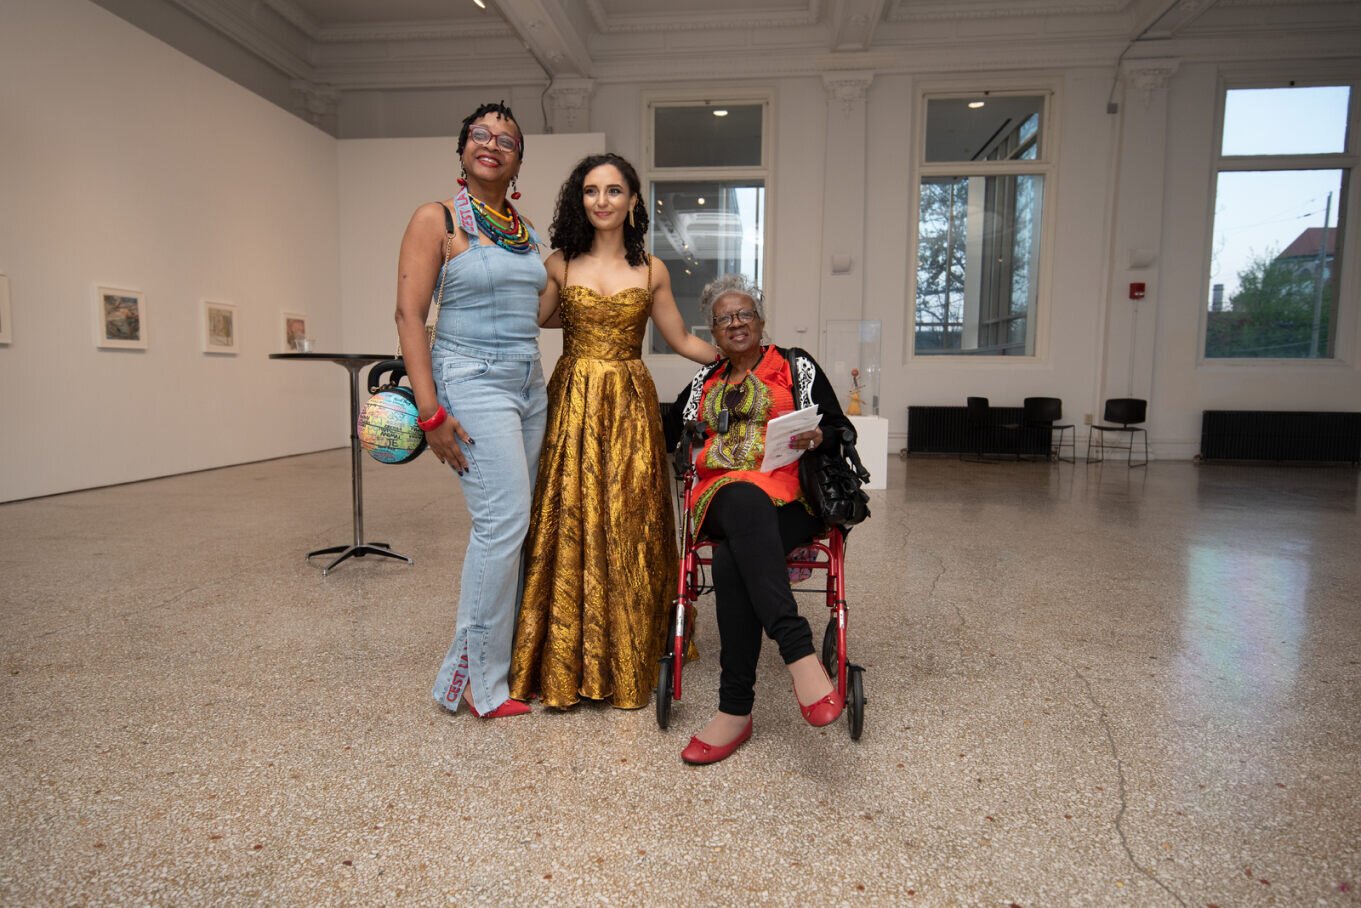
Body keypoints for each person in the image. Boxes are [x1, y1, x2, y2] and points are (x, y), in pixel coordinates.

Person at [508, 153, 716, 710]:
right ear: (581, 199)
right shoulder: (558, 264)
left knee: (629, 517)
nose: (602, 201)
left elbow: (681, 340)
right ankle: (562, 656)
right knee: (568, 514)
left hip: (627, 402)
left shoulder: (652, 270)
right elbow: (535, 319)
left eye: (614, 190)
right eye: (592, 191)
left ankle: (629, 649)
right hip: (572, 398)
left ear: (632, 201)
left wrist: (740, 357)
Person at [395, 101, 546, 720]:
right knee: (503, 523)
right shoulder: (436, 219)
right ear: (462, 150)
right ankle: (484, 686)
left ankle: (467, 671)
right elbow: (409, 316)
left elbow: (541, 309)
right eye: (480, 134)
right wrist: (430, 413)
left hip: (529, 385)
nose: (492, 143)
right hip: (471, 380)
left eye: (506, 138)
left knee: (514, 526)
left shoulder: (525, 229)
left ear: (516, 161)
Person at [661, 274, 852, 764]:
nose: (735, 323)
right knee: (743, 498)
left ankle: (734, 711)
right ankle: (799, 654)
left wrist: (819, 438)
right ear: (714, 334)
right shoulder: (706, 381)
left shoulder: (794, 365)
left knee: (730, 567)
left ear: (761, 321)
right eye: (723, 319)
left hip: (792, 500)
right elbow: (666, 430)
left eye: (744, 313)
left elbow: (838, 426)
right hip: (722, 499)